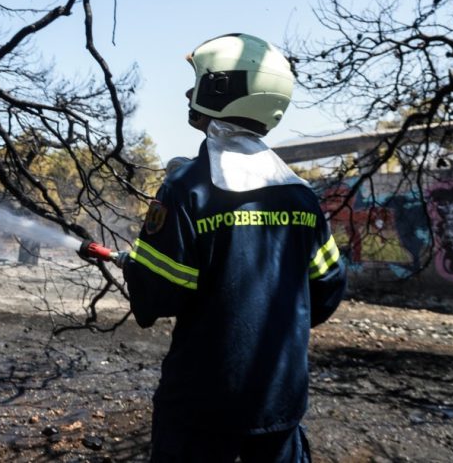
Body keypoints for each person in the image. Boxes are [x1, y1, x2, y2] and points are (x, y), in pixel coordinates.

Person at [118, 33, 347, 462]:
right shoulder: (300, 196)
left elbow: (157, 295)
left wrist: (137, 266)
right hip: (280, 403)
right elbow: (327, 290)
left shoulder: (188, 189)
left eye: (199, 82)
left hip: (200, 411)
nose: (190, 93)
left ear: (220, 91)